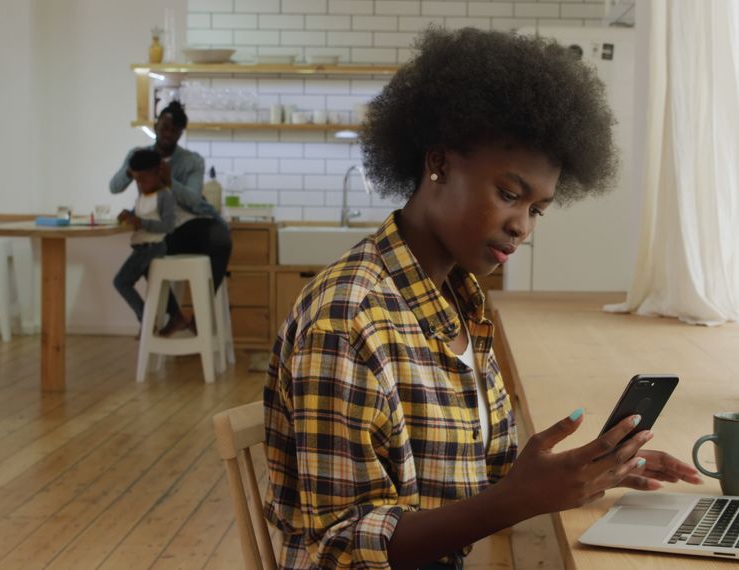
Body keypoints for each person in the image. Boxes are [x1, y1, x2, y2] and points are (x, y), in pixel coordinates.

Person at [263, 28, 702, 570]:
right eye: (509, 194)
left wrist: (583, 473)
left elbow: (471, 476)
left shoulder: (459, 300)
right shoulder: (349, 321)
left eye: (537, 209)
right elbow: (339, 549)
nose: (521, 227)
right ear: (440, 163)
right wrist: (518, 500)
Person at [109, 100, 232, 335]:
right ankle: (175, 315)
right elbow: (114, 187)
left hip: (190, 223)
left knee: (221, 238)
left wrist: (169, 181)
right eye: (164, 127)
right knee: (148, 253)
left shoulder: (192, 161)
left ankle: (200, 316)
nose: (168, 134)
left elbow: (194, 199)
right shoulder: (140, 156)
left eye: (174, 130)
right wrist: (131, 168)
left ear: (180, 133)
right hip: (161, 227)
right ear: (156, 126)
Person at [112, 149, 176, 327]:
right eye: (136, 180)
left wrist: (142, 223)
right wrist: (129, 215)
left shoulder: (165, 196)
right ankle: (159, 318)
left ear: (158, 173)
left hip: (152, 247)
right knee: (156, 287)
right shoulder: (143, 195)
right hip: (142, 247)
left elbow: (168, 226)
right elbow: (142, 213)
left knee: (121, 282)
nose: (139, 184)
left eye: (143, 179)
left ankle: (146, 319)